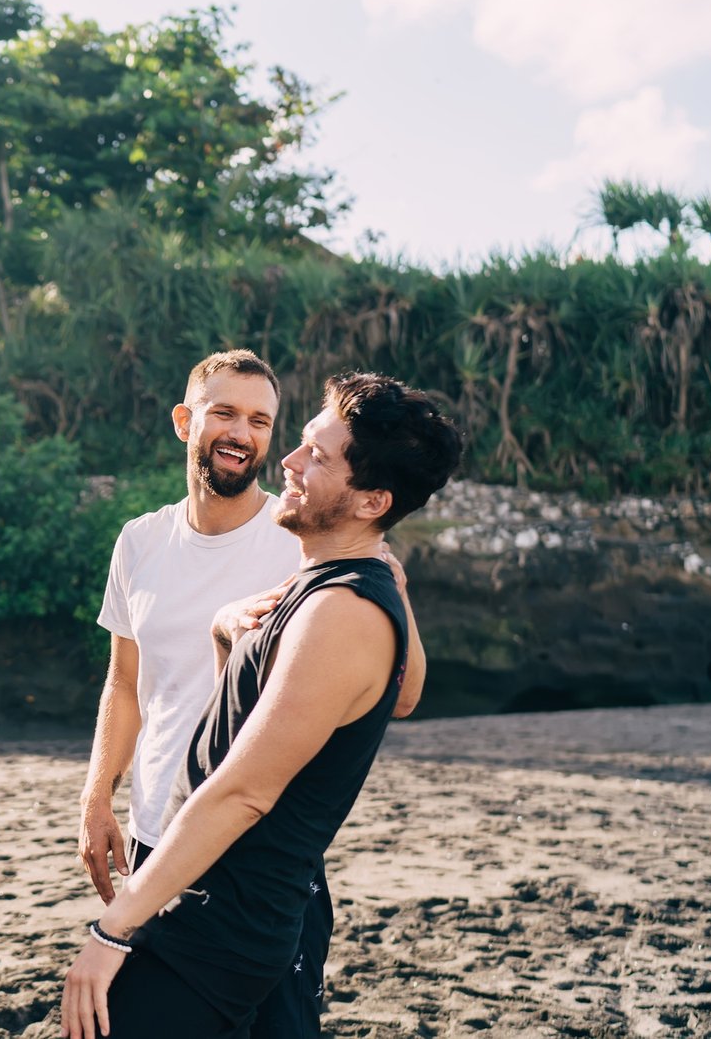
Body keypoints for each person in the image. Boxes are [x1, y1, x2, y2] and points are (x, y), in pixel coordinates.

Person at [61, 371, 464, 1039]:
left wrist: (112, 929)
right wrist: (225, 635)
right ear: (185, 419)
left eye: (314, 453)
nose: (286, 460)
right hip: (191, 874)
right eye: (301, 443)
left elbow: (246, 790)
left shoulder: (344, 605)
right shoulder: (302, 576)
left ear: (371, 501)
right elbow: (211, 716)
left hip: (234, 909)